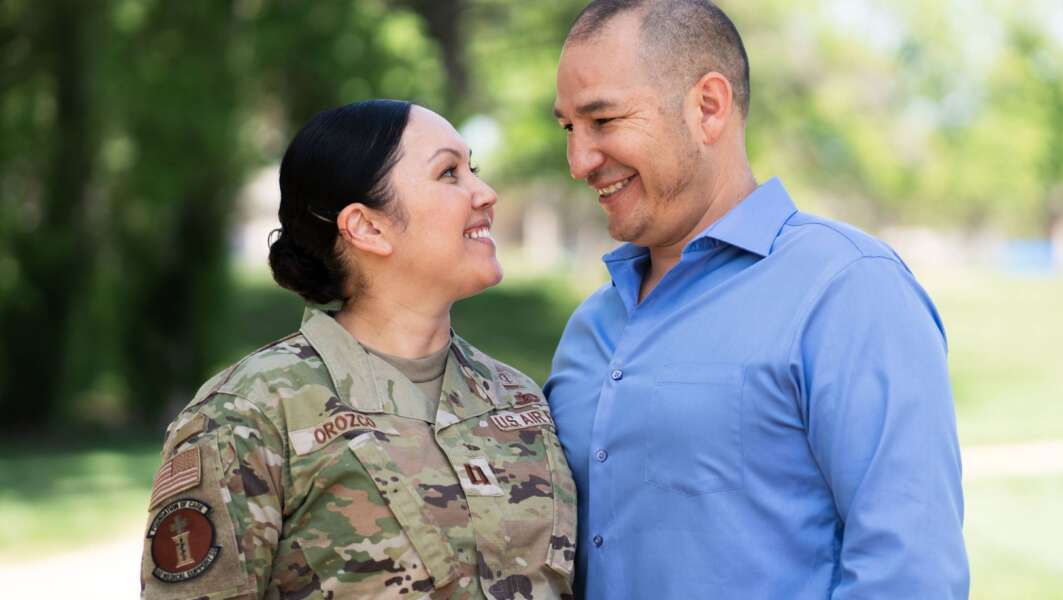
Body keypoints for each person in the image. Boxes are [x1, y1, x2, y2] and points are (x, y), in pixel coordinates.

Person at [544, 1, 968, 598]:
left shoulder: (848, 290)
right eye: (569, 128)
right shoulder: (590, 327)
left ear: (708, 108)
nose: (579, 161)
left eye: (604, 121)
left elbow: (908, 574)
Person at [139, 100, 577, 599]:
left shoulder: (519, 401)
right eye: (449, 173)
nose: (486, 192)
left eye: (471, 168)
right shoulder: (251, 412)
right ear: (367, 227)